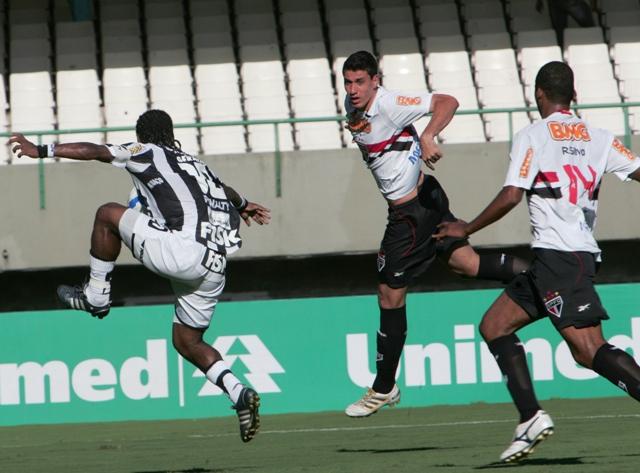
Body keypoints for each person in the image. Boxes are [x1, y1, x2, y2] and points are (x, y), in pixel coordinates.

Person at [9, 109, 271, 443]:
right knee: (187, 341)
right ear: (172, 134)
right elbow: (227, 191)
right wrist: (244, 203)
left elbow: (96, 151)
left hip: (182, 253)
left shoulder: (145, 151)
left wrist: (41, 150)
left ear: (142, 136)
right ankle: (239, 393)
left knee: (108, 214)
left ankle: (96, 295)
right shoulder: (196, 164)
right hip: (215, 266)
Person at [434, 61, 640, 463]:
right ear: (573, 96)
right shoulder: (600, 137)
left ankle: (531, 417)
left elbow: (513, 195)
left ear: (538, 94)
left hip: (563, 258)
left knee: (588, 349)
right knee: (494, 325)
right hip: (556, 259)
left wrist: (467, 227)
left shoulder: (532, 135)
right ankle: (530, 417)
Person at [341, 51, 529, 418]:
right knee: (466, 264)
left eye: (360, 81)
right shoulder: (354, 106)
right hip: (426, 198)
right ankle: (540, 278)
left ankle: (383, 387)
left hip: (411, 214)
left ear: (376, 80)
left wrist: (428, 134)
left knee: (389, 294)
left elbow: (447, 101)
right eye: (348, 82)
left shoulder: (391, 101)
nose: (353, 89)